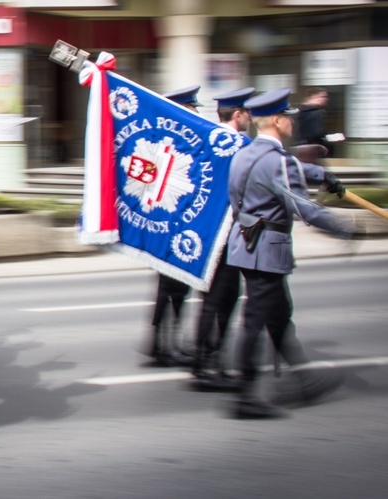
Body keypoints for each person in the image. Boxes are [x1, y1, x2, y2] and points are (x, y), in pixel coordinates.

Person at [227, 88, 353, 419]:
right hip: (266, 250)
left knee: (278, 315)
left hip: (245, 244)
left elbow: (289, 169)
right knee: (256, 320)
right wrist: (346, 227)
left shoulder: (245, 153)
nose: (293, 124)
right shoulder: (277, 162)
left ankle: (303, 378)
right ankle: (244, 396)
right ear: (279, 120)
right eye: (290, 119)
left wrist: (323, 175)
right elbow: (306, 210)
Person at [190, 87, 255, 392]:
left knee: (213, 300)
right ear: (238, 114)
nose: (250, 119)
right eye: (247, 113)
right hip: (229, 235)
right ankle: (205, 364)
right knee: (222, 300)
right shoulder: (242, 145)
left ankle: (204, 360)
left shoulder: (207, 140)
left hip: (206, 233)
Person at [144, 85, 203, 367]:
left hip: (166, 230)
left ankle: (161, 344)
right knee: (174, 289)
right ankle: (166, 344)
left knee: (169, 289)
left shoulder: (164, 145)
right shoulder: (172, 147)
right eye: (192, 108)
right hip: (172, 229)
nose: (196, 112)